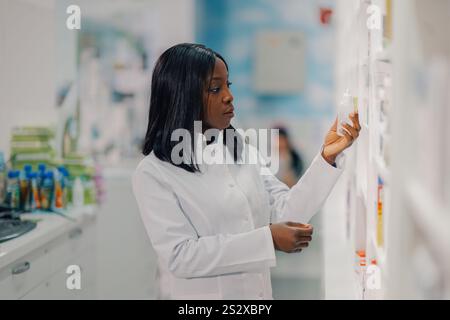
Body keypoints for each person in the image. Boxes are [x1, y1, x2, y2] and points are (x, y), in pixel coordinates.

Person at [132, 43, 361, 300]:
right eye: (215, 88)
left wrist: (327, 158)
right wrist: (267, 240)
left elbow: (286, 211)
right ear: (182, 96)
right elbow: (181, 256)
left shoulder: (237, 147)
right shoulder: (153, 173)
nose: (229, 96)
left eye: (229, 85)